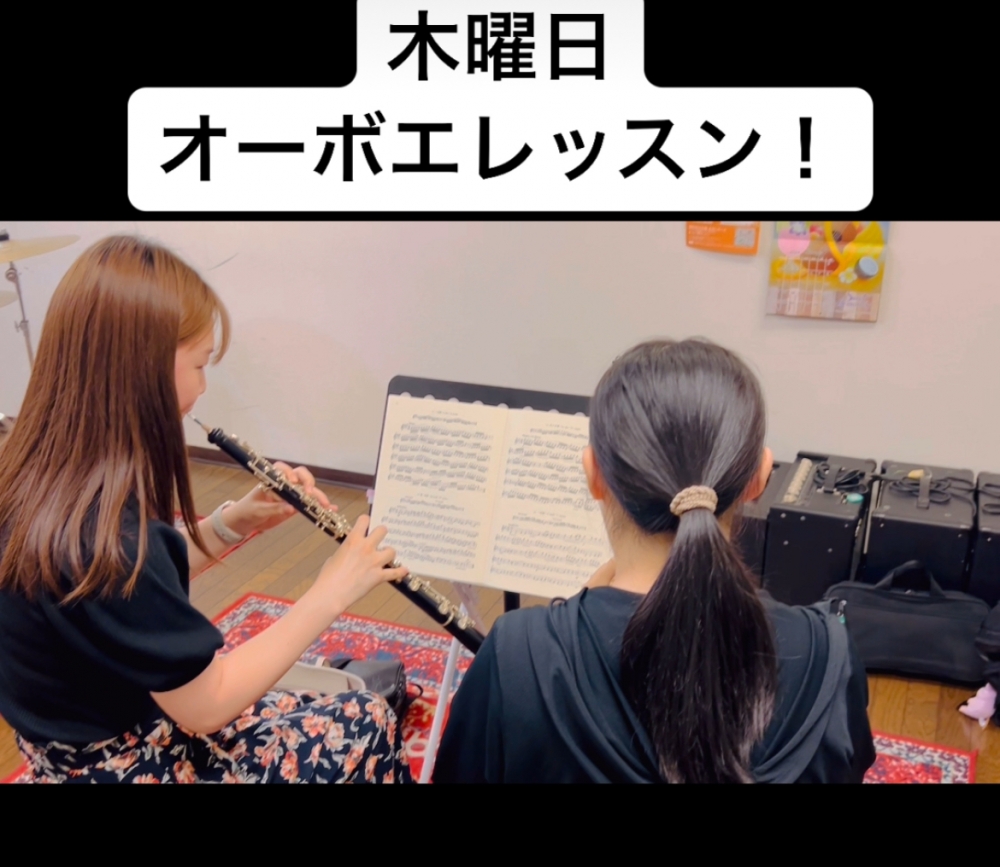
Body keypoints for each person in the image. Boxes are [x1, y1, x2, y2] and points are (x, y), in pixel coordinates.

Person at [0, 235, 412, 783]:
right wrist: (333, 589)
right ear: (142, 368)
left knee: (323, 706)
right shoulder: (109, 534)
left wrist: (231, 524)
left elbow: (127, 597)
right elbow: (207, 704)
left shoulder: (35, 470)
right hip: (130, 760)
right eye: (199, 364)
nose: (202, 386)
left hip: (73, 743)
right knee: (366, 720)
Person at [433, 338, 876, 784]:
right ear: (759, 478)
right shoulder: (830, 658)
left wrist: (562, 631)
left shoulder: (516, 658)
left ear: (593, 475)